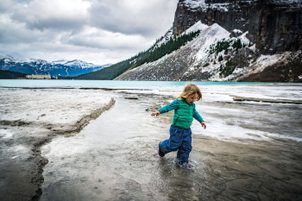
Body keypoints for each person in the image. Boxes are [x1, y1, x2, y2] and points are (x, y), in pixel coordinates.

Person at [151, 84, 206, 167]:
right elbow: (168, 107)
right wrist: (159, 111)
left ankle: (182, 162)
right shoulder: (178, 102)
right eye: (191, 98)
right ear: (186, 94)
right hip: (177, 129)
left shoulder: (192, 105)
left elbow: (195, 113)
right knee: (174, 145)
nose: (193, 100)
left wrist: (201, 121)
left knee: (186, 147)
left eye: (195, 99)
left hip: (187, 130)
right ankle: (162, 146)